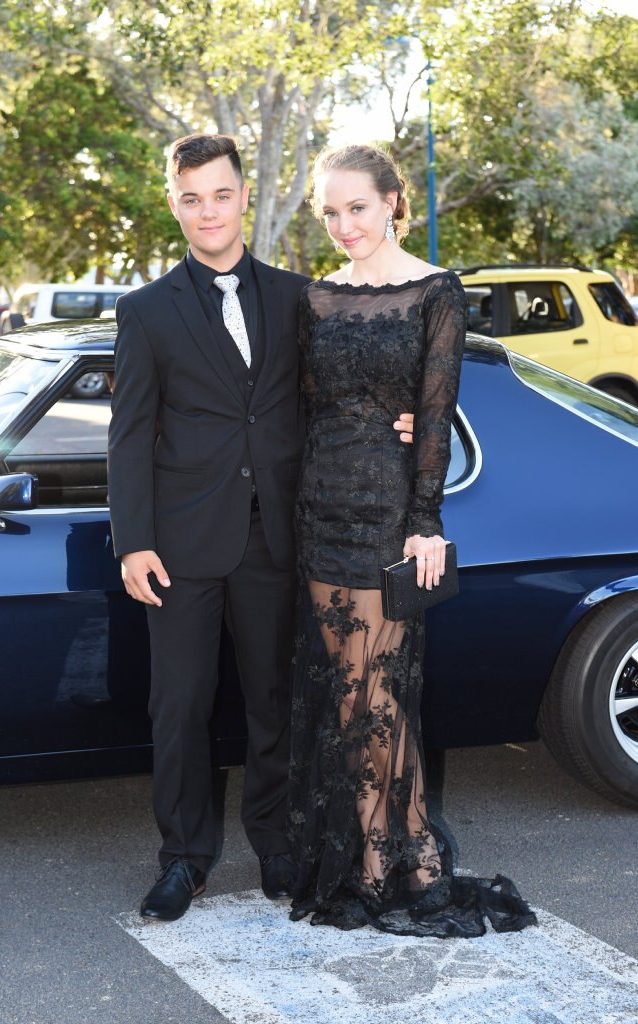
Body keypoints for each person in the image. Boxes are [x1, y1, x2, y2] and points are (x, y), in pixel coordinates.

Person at [107, 134, 414, 923]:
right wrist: (132, 539)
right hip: (177, 547)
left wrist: (402, 422)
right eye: (190, 197)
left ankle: (275, 843)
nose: (206, 210)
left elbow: (340, 396)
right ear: (173, 204)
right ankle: (183, 858)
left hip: (278, 539)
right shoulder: (144, 311)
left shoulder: (295, 297)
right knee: (178, 704)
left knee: (272, 701)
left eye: (219, 193)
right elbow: (129, 433)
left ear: (245, 196)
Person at [288, 144, 536, 937]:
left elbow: (433, 416)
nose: (342, 224)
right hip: (319, 510)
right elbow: (299, 410)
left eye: (356, 206)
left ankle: (397, 858)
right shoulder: (315, 299)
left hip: (388, 517)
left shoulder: (436, 291)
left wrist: (424, 519)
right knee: (343, 697)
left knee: (379, 697)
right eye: (328, 211)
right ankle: (372, 850)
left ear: (394, 201)